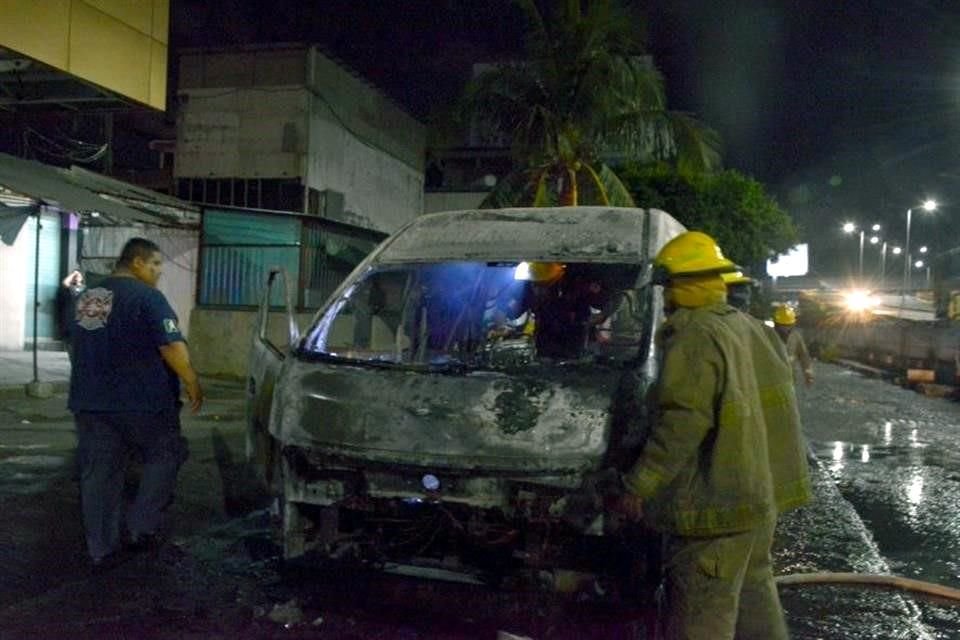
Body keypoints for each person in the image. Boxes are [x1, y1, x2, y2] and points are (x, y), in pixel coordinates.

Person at [617, 231, 812, 639]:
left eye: (669, 286)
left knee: (701, 618)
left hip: (714, 509)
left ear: (681, 286)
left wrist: (640, 484)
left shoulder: (694, 332)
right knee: (756, 611)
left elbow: (682, 419)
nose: (667, 297)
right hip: (758, 502)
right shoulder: (751, 328)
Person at [68, 237, 204, 570]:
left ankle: (100, 547)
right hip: (144, 402)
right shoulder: (148, 298)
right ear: (138, 263)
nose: (159, 272)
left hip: (92, 403)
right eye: (156, 264)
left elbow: (78, 344)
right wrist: (191, 382)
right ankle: (140, 527)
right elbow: (171, 347)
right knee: (166, 454)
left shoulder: (89, 297)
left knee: (99, 474)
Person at [773, 304, 814, 387]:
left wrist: (808, 374)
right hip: (772, 378)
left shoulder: (796, 336)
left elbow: (804, 356)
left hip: (790, 378)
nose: (785, 328)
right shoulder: (768, 335)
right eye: (782, 325)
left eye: (788, 325)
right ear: (776, 324)